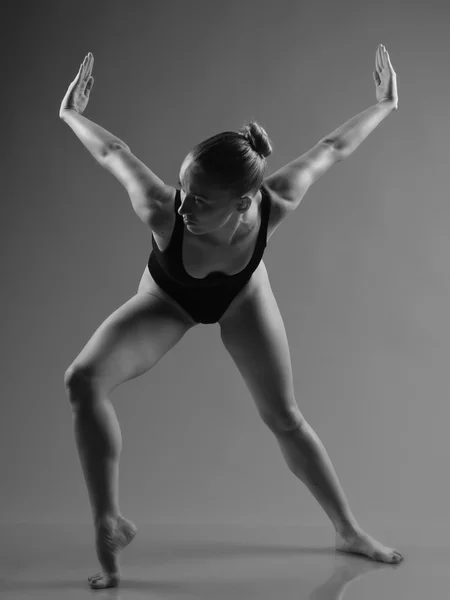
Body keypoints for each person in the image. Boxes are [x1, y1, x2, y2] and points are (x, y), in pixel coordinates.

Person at [59, 45, 402, 590]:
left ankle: (349, 530)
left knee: (285, 418)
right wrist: (71, 115)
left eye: (200, 201)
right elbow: (113, 153)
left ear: (243, 203)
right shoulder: (160, 208)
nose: (183, 207)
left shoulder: (275, 201)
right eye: (184, 190)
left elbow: (332, 149)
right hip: (166, 300)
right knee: (82, 381)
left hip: (243, 298)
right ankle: (109, 520)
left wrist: (383, 105)